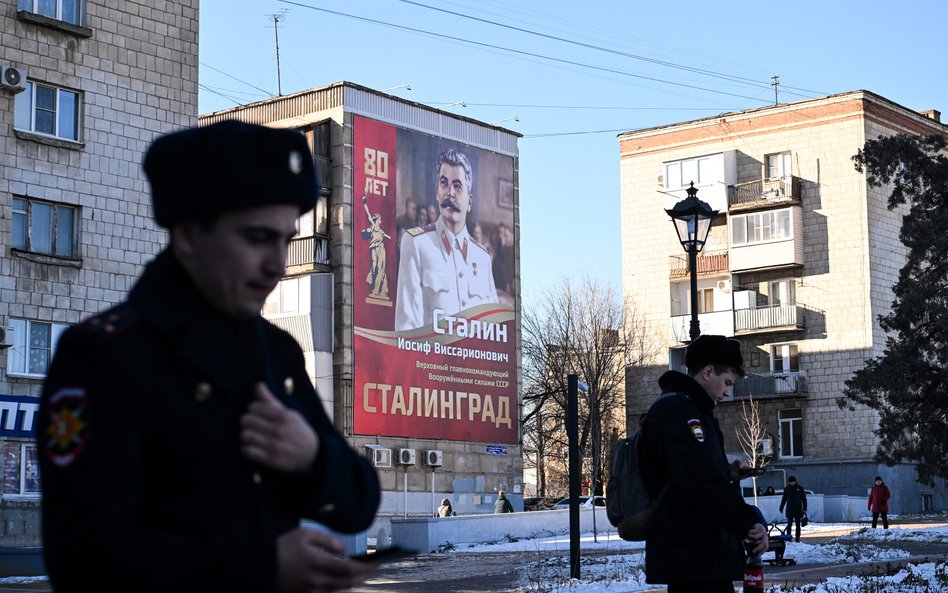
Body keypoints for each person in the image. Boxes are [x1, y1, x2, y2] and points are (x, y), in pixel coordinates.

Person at [37, 121, 382, 593]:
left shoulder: (276, 352)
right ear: (188, 234)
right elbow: (82, 559)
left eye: (286, 239)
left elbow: (359, 503)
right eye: (258, 238)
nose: (278, 264)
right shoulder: (105, 356)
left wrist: (313, 457)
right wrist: (261, 567)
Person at [639, 334, 768, 593]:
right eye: (727, 382)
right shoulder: (684, 414)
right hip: (696, 554)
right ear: (708, 371)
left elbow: (685, 473)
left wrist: (726, 473)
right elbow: (699, 483)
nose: (727, 391)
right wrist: (747, 521)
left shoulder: (680, 409)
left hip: (692, 556)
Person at [395, 148, 498, 331]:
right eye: (444, 183)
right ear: (437, 191)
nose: (449, 193)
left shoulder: (482, 258)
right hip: (429, 360)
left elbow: (494, 329)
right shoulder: (416, 244)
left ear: (470, 202)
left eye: (457, 186)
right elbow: (407, 328)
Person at [361, 194, 392, 299]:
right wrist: (364, 202)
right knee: (374, 267)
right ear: (376, 220)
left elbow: (387, 237)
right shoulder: (373, 226)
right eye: (380, 220)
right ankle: (372, 283)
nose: (381, 221)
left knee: (381, 268)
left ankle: (378, 290)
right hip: (374, 248)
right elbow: (368, 213)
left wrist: (389, 237)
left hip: (381, 248)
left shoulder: (381, 231)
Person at [779, 476, 808, 542]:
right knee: (789, 524)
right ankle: (788, 538)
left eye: (793, 482)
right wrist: (781, 507)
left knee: (798, 525)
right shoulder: (786, 489)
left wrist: (804, 508)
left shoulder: (800, 488)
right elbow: (784, 499)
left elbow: (804, 499)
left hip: (798, 509)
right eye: (790, 482)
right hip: (789, 509)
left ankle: (797, 538)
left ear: (795, 481)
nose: (792, 483)